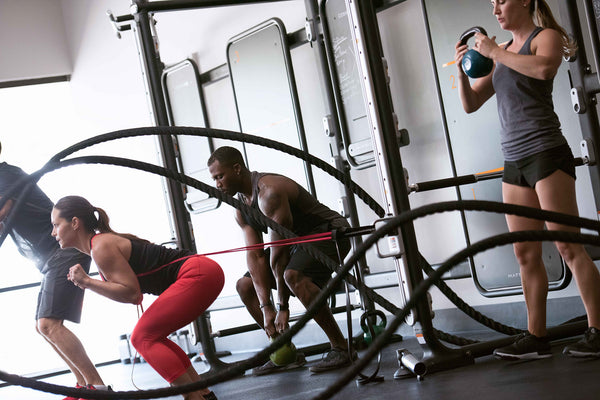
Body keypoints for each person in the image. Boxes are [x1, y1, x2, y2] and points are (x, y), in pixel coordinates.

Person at [454, 0, 600, 359]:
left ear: (524, 1)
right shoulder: (500, 51)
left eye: (501, 2)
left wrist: (493, 53)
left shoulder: (543, 37)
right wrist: (462, 70)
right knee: (525, 253)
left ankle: (598, 330)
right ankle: (537, 337)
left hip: (547, 154)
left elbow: (545, 68)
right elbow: (471, 104)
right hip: (514, 162)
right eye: (491, 4)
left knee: (568, 246)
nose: (495, 11)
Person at [51, 195, 224, 400]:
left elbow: (132, 294)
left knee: (142, 337)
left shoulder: (100, 246)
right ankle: (203, 395)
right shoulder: (99, 245)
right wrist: (88, 282)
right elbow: (129, 293)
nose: (53, 232)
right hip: (202, 271)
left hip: (197, 273)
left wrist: (87, 282)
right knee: (152, 336)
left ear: (74, 223)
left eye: (56, 225)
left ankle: (193, 397)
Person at [207, 146, 355, 375]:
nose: (217, 184)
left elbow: (279, 255)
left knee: (293, 276)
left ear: (236, 169)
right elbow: (255, 256)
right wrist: (266, 307)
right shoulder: (241, 208)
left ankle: (341, 348)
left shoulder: (269, 192)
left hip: (328, 233)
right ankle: (284, 352)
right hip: (296, 244)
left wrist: (281, 306)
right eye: (214, 179)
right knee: (245, 286)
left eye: (220, 176)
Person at [0, 145, 109, 400]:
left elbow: (2, 212)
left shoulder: (6, 176)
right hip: (51, 256)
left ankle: (98, 388)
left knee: (49, 324)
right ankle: (83, 387)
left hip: (65, 250)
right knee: (43, 327)